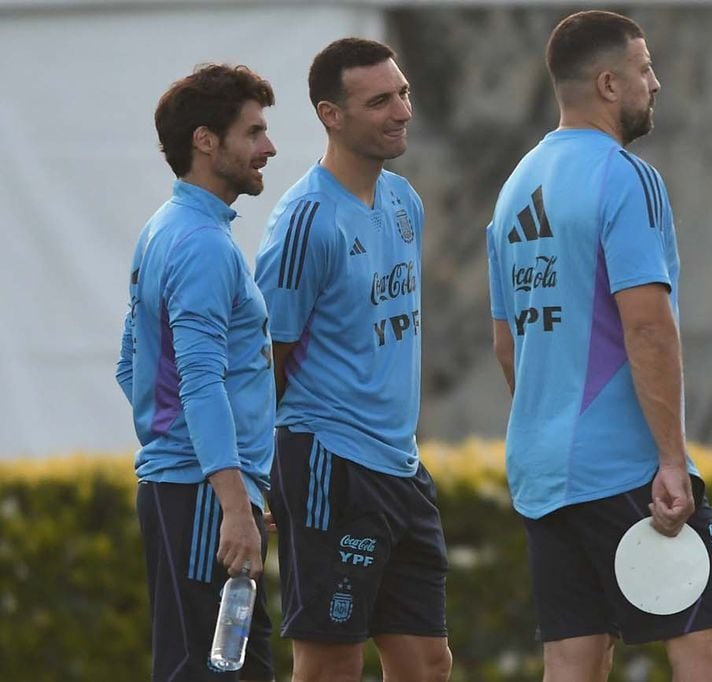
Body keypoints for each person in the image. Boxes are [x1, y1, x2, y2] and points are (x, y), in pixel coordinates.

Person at [485, 10, 712, 681]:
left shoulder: (515, 189)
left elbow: (506, 344)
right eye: (644, 70)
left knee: (573, 661)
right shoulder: (624, 176)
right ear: (608, 84)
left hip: (542, 470)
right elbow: (648, 327)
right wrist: (669, 459)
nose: (654, 83)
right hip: (621, 464)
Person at [253, 38, 450, 682]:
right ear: (331, 115)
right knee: (330, 660)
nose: (401, 111)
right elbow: (264, 359)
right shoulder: (307, 221)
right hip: (331, 462)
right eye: (379, 101)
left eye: (403, 93)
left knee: (426, 662)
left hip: (400, 465)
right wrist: (260, 475)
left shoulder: (403, 201)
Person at [115, 64, 278, 681]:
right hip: (201, 497)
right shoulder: (203, 245)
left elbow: (132, 365)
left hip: (187, 490)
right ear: (206, 141)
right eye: (254, 132)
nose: (268, 147)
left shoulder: (165, 229)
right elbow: (198, 382)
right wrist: (230, 502)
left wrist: (198, 470)